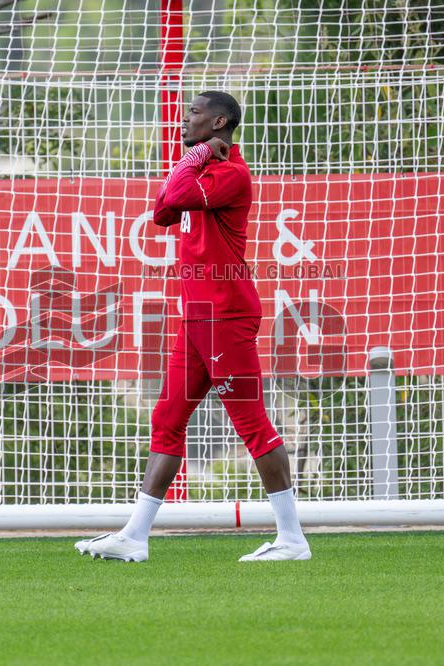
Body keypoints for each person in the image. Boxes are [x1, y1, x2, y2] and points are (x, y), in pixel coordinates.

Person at [76, 91, 310, 562]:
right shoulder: (204, 165)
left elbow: (177, 194)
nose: (185, 122)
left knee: (251, 422)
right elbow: (163, 209)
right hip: (196, 315)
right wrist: (196, 156)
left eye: (195, 115)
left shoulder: (231, 173)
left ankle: (292, 540)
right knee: (167, 418)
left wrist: (198, 155)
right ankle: (135, 537)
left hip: (224, 313)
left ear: (219, 122)